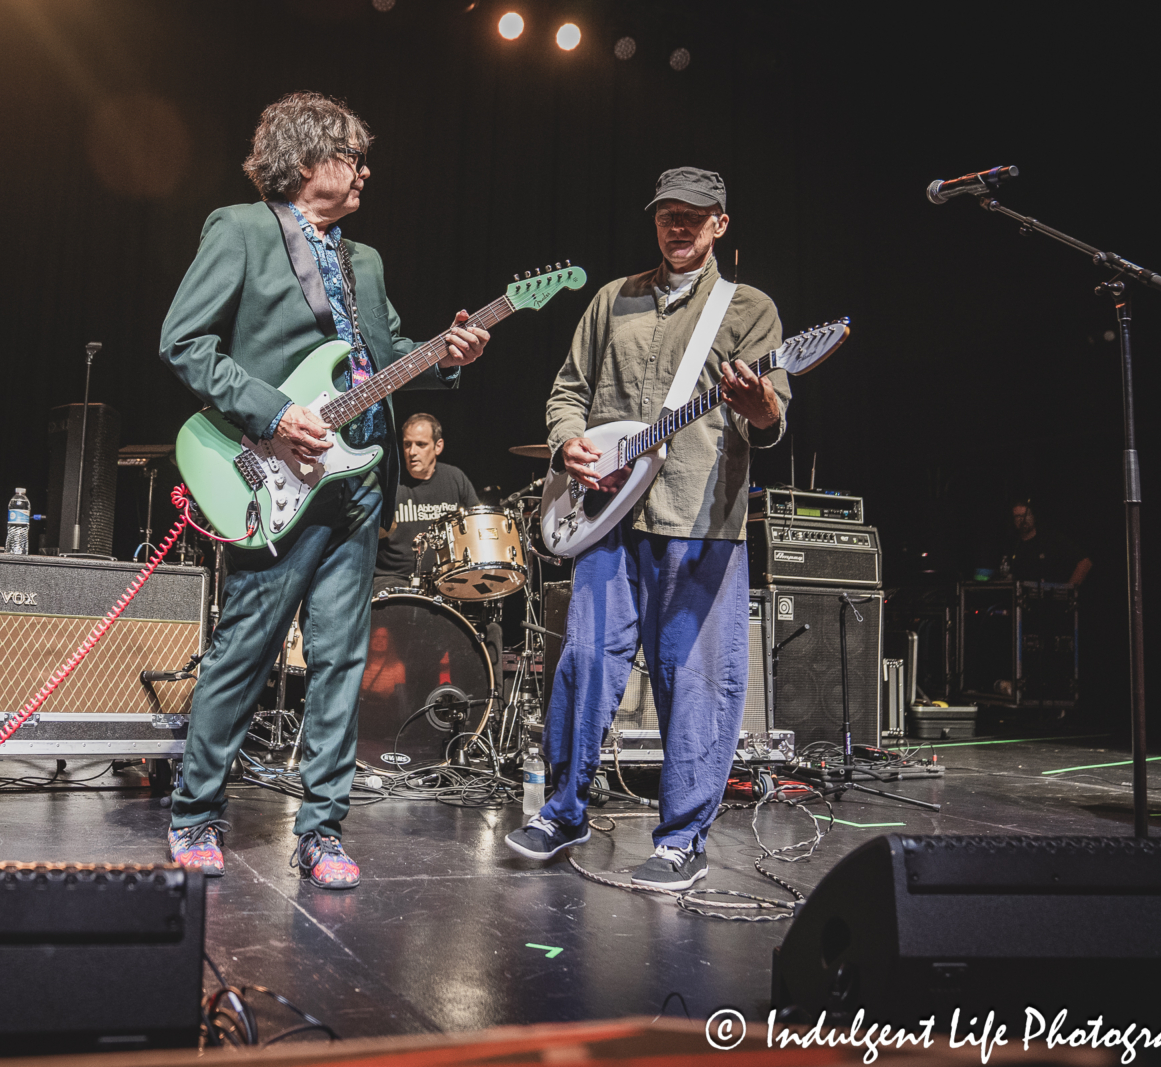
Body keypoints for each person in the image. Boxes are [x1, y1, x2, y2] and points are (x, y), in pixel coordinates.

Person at [158, 92, 490, 889]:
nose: (365, 169)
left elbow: (385, 357)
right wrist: (275, 413)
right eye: (351, 156)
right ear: (307, 163)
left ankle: (323, 829)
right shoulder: (238, 229)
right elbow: (183, 341)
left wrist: (447, 355)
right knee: (245, 650)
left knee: (341, 660)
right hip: (275, 475)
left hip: (356, 485)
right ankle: (194, 812)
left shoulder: (364, 261)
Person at [504, 167, 790, 890]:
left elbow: (771, 418)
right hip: (607, 515)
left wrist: (757, 402)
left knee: (695, 681)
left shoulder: (748, 308)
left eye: (695, 215)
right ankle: (563, 811)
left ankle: (681, 839)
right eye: (668, 214)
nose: (679, 226)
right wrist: (569, 437)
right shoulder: (613, 299)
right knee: (584, 666)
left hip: (701, 520)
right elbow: (568, 390)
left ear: (720, 223)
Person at [373, 413, 478, 591]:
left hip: (446, 578)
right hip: (392, 579)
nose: (412, 452)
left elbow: (476, 526)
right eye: (407, 444)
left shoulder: (455, 478)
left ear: (438, 446)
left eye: (421, 444)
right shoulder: (389, 483)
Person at [1006, 499, 1091, 585]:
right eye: (1018, 516)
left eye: (1026, 515)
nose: (1023, 519)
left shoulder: (1052, 539)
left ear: (1033, 516)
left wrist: (1067, 590)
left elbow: (1085, 563)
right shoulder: (1012, 545)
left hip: (1051, 595)